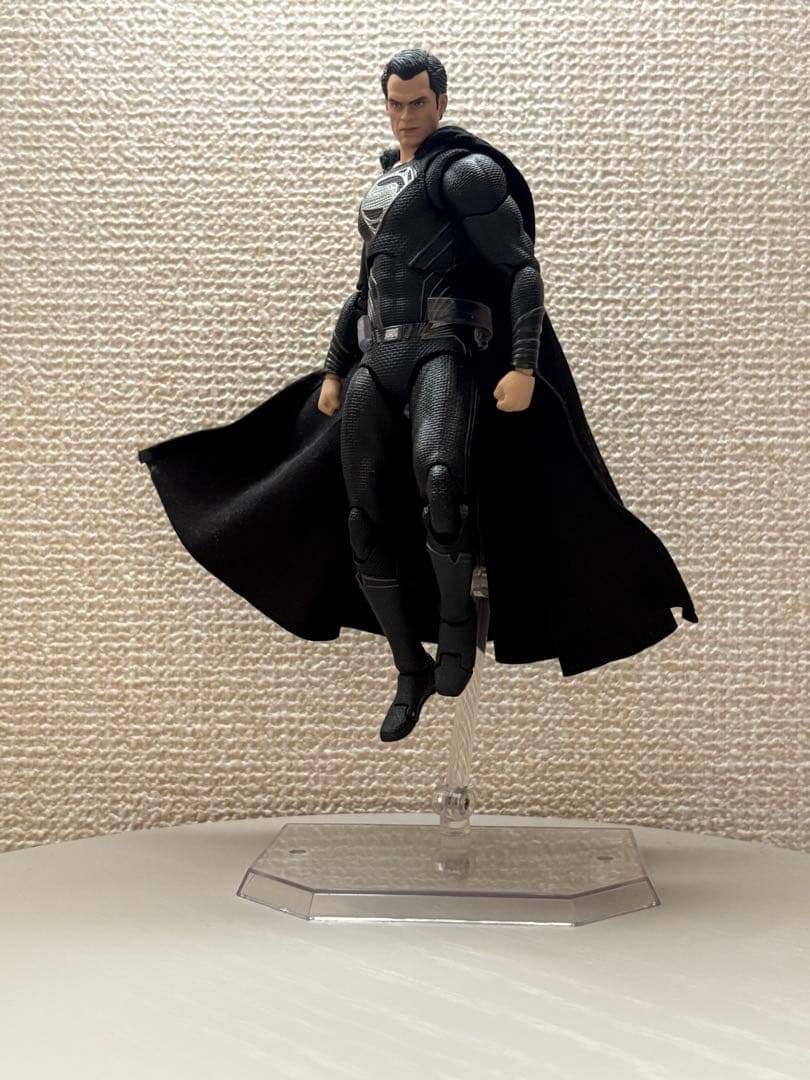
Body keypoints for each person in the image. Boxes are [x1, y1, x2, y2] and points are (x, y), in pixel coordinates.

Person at [138, 49, 698, 745]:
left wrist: (523, 365)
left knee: (440, 482)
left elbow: (521, 270)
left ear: (440, 101)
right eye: (395, 104)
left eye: (418, 103)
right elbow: (364, 291)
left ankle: (456, 633)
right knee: (362, 515)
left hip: (443, 349)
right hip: (380, 356)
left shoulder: (464, 173)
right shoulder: (383, 186)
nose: (405, 116)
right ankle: (411, 667)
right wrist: (335, 368)